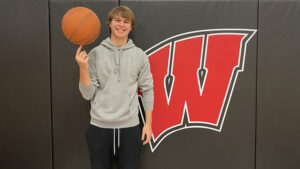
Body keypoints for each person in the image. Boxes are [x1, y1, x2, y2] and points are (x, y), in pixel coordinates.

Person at [75, 6, 154, 169]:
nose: (121, 25)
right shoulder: (95, 54)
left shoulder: (140, 55)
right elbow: (87, 94)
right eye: (117, 20)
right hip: (99, 129)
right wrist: (83, 69)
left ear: (131, 27)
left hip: (130, 129)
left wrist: (148, 124)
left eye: (126, 22)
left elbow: (147, 90)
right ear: (109, 23)